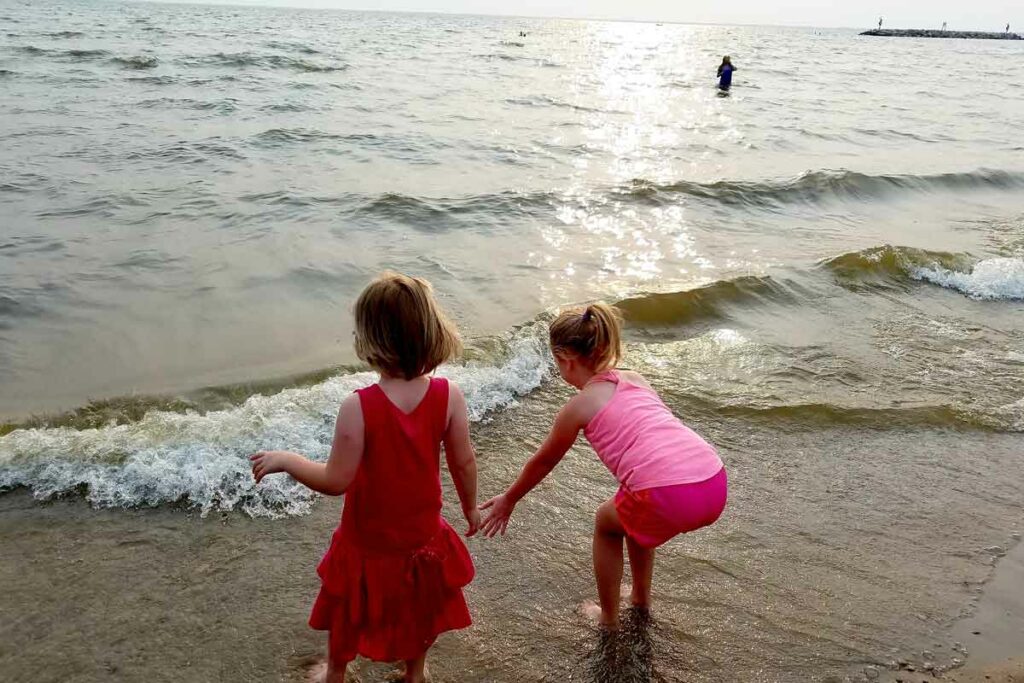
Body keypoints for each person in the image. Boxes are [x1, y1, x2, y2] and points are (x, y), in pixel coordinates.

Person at [250, 272, 480, 683]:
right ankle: (415, 672)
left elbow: (335, 480)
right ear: (432, 331)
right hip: (422, 536)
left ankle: (336, 671)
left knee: (346, 612)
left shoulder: (359, 407)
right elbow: (463, 463)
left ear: (370, 341)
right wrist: (471, 509)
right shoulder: (450, 396)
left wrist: (288, 460)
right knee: (419, 607)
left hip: (367, 543)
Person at [480, 303, 727, 630]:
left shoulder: (578, 407)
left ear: (566, 359)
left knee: (606, 523)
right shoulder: (636, 379)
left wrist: (509, 499)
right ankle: (640, 597)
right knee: (630, 514)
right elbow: (656, 433)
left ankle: (608, 619)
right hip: (713, 478)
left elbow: (544, 461)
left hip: (666, 492)